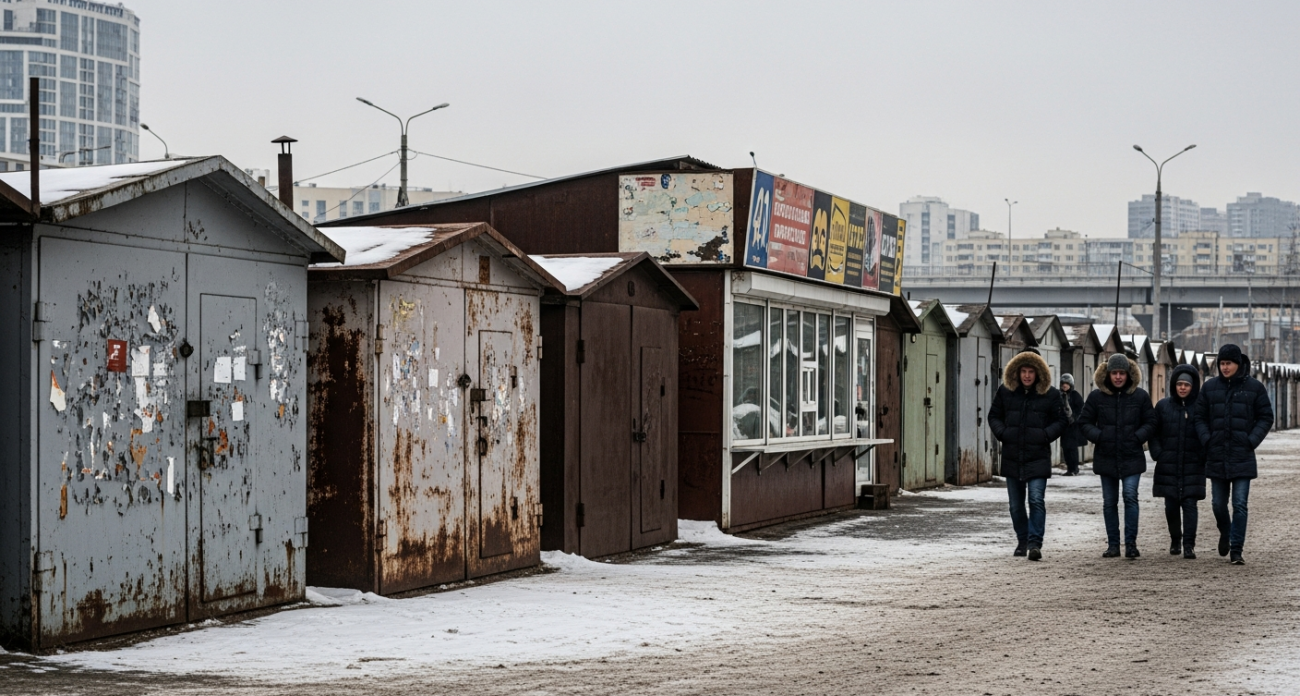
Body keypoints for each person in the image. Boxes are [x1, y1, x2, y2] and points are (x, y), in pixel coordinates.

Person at [1193, 344, 1273, 565]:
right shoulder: (1209, 388)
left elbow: (1266, 417)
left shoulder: (1255, 388)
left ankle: (1236, 549)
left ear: (1239, 363)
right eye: (1222, 363)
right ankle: (1226, 532)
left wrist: (1251, 440)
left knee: (1240, 504)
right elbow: (1199, 417)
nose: (1225, 367)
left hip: (1242, 455)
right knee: (1218, 504)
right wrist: (1207, 439)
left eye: (1229, 363)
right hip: (1217, 453)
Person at [988, 350, 1068, 561]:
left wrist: (1044, 435)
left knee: (1036, 500)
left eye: (1031, 371)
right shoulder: (1006, 391)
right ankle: (1022, 540)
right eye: (1023, 371)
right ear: (1017, 372)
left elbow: (1061, 421)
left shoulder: (1050, 394)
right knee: (1015, 505)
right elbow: (993, 415)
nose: (1027, 375)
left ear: (1038, 372)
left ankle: (1034, 543)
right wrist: (1003, 433)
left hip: (1038, 456)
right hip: (1013, 455)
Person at [1078, 353, 1156, 559]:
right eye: (1115, 373)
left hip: (1132, 456)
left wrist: (1138, 437)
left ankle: (1131, 544)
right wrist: (1100, 436)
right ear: (1108, 374)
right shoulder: (1096, 397)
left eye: (1122, 373)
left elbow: (1151, 422)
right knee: (1109, 502)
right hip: (1106, 456)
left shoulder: (1140, 396)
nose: (1118, 377)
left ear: (1128, 374)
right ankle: (1113, 545)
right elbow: (1084, 422)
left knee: (1130, 497)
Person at [1149, 365, 1206, 559]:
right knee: (1171, 505)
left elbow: (1207, 431)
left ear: (1193, 386)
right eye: (1180, 384)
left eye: (1187, 385)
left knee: (1190, 504)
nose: (1183, 388)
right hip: (1169, 464)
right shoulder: (1163, 406)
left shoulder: (1200, 407)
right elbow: (1154, 433)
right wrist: (1158, 453)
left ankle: (1189, 545)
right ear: (1174, 385)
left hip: (1193, 464)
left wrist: (1203, 455)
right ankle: (1176, 539)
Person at [1059, 373, 1085, 476]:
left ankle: (1074, 468)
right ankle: (1070, 468)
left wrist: (1074, 418)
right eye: (1063, 384)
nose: (1065, 386)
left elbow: (1081, 409)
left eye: (1067, 384)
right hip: (1064, 426)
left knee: (1072, 448)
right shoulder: (1060, 395)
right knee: (1065, 447)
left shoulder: (1075, 395)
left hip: (1073, 426)